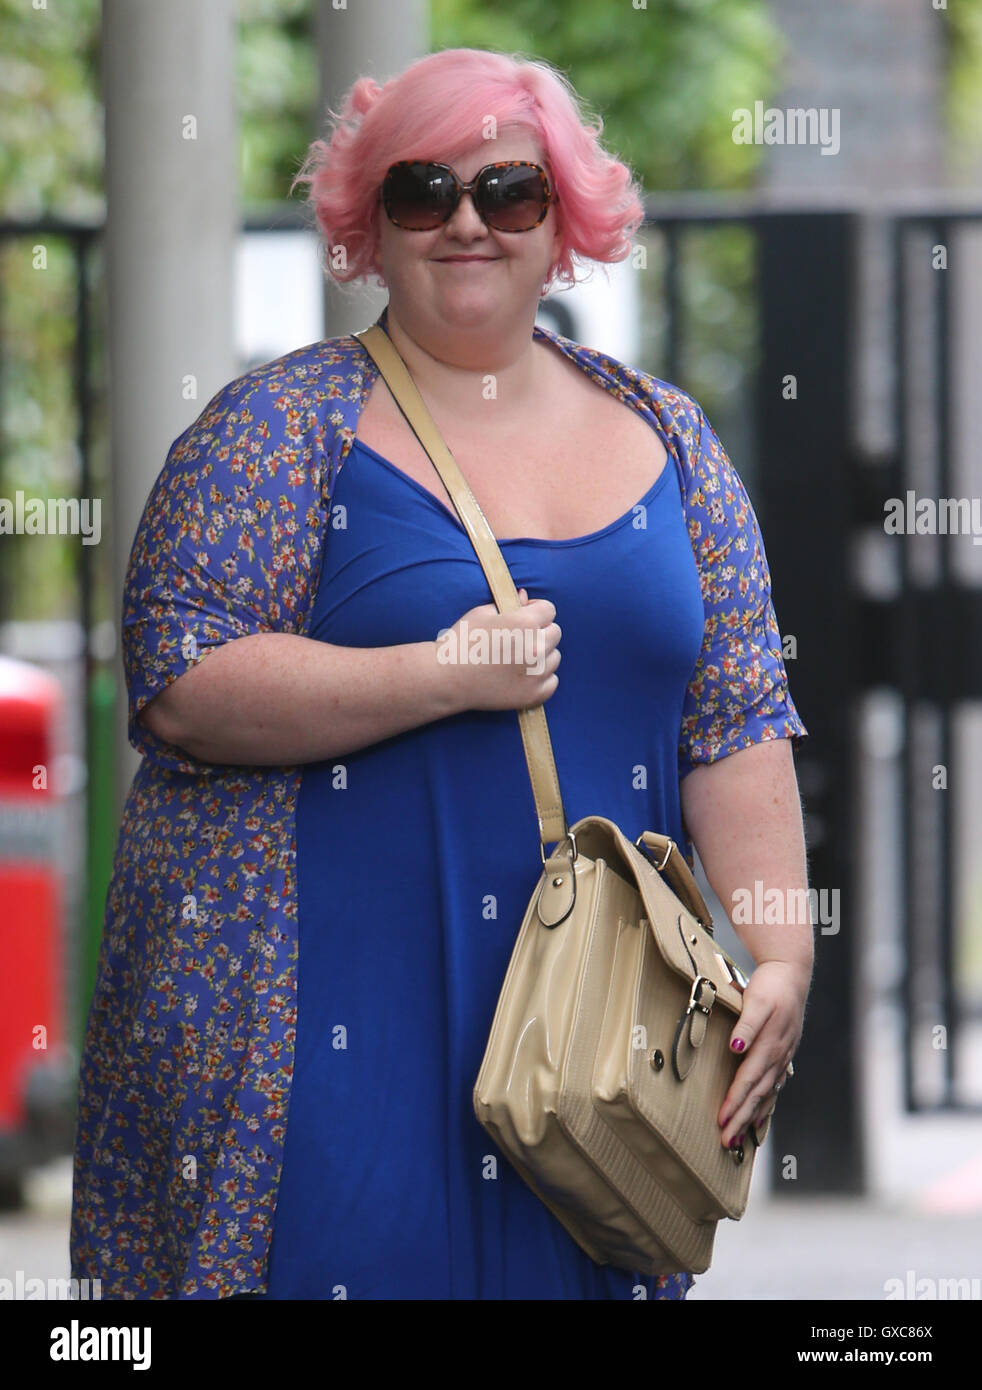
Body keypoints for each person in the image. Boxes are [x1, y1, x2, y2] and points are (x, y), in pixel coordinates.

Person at [70, 46, 813, 1301]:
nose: (466, 222)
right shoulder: (274, 428)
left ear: (563, 217)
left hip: (592, 1050)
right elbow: (179, 680)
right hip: (325, 1035)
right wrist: (439, 673)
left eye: (508, 192)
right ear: (370, 222)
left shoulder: (671, 440)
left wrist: (782, 957)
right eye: (422, 192)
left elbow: (737, 713)